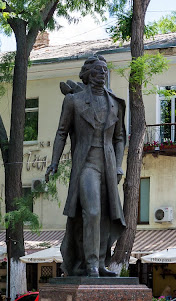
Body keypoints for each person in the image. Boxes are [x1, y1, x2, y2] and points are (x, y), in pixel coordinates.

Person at [46, 55, 126, 278]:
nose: (103, 73)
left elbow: (119, 138)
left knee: (105, 216)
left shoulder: (116, 103)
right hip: (86, 164)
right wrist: (54, 162)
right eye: (99, 70)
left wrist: (119, 165)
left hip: (108, 165)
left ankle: (100, 263)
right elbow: (62, 132)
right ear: (89, 74)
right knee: (91, 211)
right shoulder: (74, 101)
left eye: (105, 70)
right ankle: (90, 264)